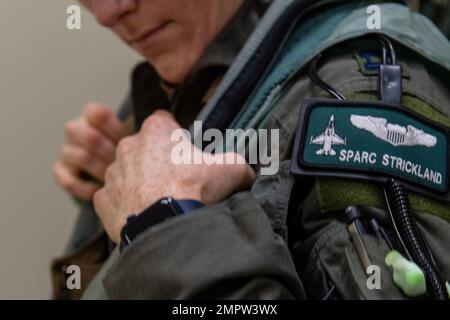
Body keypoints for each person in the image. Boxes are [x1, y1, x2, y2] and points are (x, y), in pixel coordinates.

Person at [52, 0, 450, 300]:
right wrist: (112, 206)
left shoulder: (358, 89)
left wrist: (167, 225)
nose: (107, 13)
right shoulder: (191, 79)